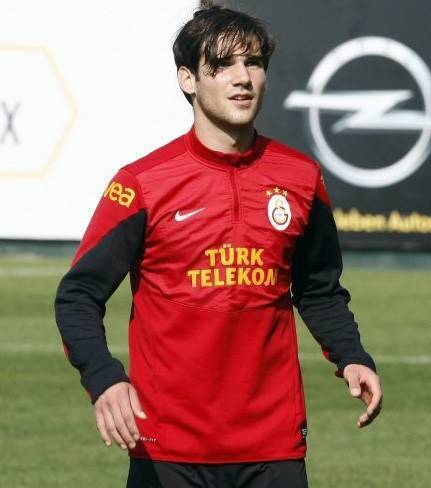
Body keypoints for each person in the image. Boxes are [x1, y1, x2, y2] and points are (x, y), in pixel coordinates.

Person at [55, 4, 383, 487]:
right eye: (223, 65)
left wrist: (351, 354)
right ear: (188, 79)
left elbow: (318, 289)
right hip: (168, 446)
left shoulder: (301, 177)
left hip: (273, 443)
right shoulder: (142, 184)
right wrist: (104, 377)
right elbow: (78, 295)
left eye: (254, 63)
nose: (242, 78)